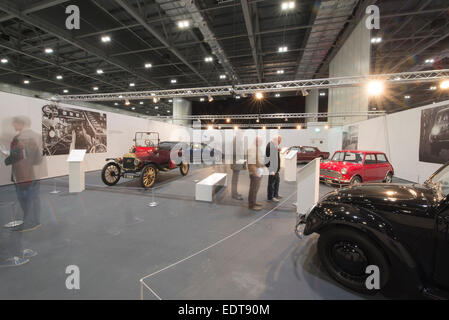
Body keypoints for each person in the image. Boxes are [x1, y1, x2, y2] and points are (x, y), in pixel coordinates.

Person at [4, 116, 42, 232]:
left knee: (26, 199)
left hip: (23, 176)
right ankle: (33, 221)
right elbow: (37, 159)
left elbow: (15, 156)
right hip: (29, 175)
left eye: (14, 124)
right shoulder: (32, 137)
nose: (13, 126)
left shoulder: (20, 139)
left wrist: (7, 158)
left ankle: (30, 222)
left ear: (20, 124)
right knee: (31, 198)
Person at [247, 136, 264, 211]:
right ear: (256, 141)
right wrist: (255, 172)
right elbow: (251, 163)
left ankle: (254, 202)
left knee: (255, 188)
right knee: (253, 189)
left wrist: (262, 165)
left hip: (257, 170)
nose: (262, 143)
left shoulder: (256, 148)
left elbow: (257, 160)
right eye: (261, 142)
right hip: (255, 172)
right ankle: (251, 205)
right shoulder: (252, 148)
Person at [265, 135, 282, 202]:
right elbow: (268, 159)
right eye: (279, 142)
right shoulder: (270, 146)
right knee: (271, 183)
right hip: (272, 169)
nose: (279, 143)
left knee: (277, 182)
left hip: (276, 169)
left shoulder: (274, 145)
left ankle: (275, 195)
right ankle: (270, 197)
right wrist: (271, 170)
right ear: (276, 140)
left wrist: (278, 150)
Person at [230, 132, 246, 200]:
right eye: (241, 134)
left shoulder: (238, 141)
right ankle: (234, 194)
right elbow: (234, 152)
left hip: (237, 163)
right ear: (238, 134)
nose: (242, 136)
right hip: (236, 163)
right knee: (234, 180)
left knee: (235, 180)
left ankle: (235, 192)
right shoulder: (235, 142)